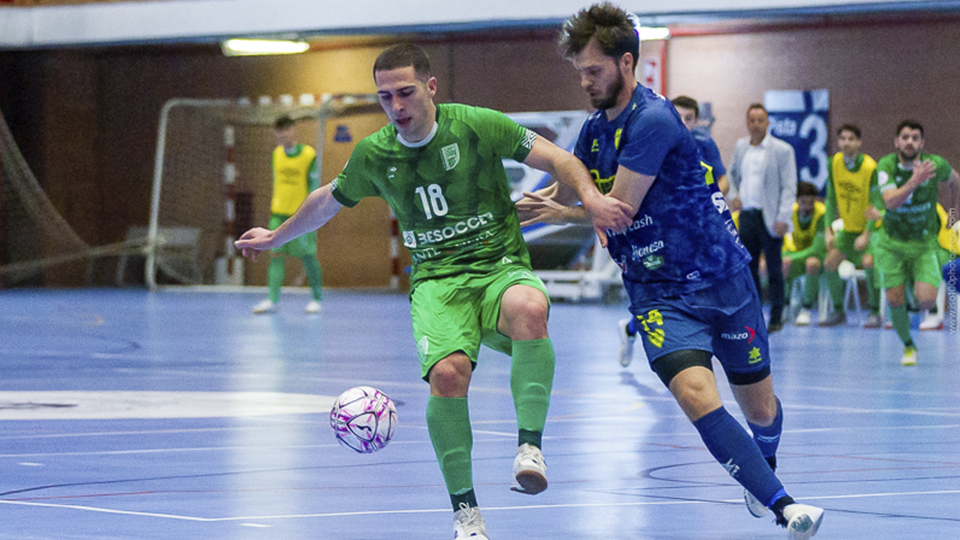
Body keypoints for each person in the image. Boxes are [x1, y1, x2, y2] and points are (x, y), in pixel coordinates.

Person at [235, 44, 632, 540]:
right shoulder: (375, 152)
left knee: (530, 306)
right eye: (385, 97)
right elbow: (328, 201)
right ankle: (466, 513)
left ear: (430, 87)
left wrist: (591, 199)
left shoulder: (476, 124)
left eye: (405, 93)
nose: (396, 106)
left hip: (497, 266)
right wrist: (276, 237)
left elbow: (558, 157)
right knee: (448, 374)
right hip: (437, 284)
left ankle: (529, 447)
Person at [520, 5, 824, 539]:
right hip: (658, 293)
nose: (586, 82)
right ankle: (783, 506)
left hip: (723, 280)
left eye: (594, 71)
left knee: (761, 410)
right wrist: (524, 207)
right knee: (696, 395)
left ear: (627, 62)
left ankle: (764, 466)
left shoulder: (653, 121)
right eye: (580, 73)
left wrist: (564, 210)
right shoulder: (594, 130)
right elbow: (568, 188)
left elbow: (617, 209)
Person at [873, 120, 959, 365]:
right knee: (894, 299)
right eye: (905, 137)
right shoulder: (886, 166)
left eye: (915, 137)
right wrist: (915, 180)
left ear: (922, 143)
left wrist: (954, 214)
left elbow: (955, 181)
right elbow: (891, 202)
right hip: (891, 243)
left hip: (923, 244)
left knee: (926, 300)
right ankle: (909, 346)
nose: (910, 141)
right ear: (896, 142)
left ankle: (912, 288)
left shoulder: (935, 165)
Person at [727, 104, 798, 332]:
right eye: (752, 120)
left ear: (768, 123)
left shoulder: (782, 150)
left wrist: (783, 217)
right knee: (748, 269)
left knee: (775, 269)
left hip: (770, 218)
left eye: (761, 120)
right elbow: (731, 174)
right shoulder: (740, 147)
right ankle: (753, 315)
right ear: (747, 123)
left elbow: (789, 187)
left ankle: (777, 317)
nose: (756, 124)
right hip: (747, 215)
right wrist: (733, 195)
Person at [251, 115, 325, 314]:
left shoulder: (309, 155)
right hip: (278, 214)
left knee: (308, 256)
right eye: (279, 131)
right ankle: (272, 300)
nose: (282, 134)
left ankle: (316, 299)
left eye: (286, 129)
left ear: (293, 130)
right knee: (275, 254)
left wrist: (311, 212)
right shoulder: (276, 155)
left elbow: (313, 185)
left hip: (301, 217)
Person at [822, 124, 883, 328]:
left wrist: (866, 234)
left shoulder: (870, 167)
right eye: (842, 138)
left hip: (870, 230)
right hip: (848, 231)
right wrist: (828, 228)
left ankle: (875, 312)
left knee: (868, 262)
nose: (846, 143)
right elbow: (830, 199)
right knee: (829, 263)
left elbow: (876, 203)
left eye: (851, 139)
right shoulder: (833, 163)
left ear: (859, 142)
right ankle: (839, 311)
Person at [781, 181, 828, 326]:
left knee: (811, 263)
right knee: (785, 263)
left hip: (819, 258)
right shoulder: (789, 213)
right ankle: (785, 306)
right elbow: (784, 245)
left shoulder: (822, 214)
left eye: (811, 202)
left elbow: (816, 249)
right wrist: (788, 257)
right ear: (797, 201)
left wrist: (792, 257)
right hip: (798, 256)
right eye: (803, 201)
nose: (807, 206)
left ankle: (806, 309)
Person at [672, 95, 729, 196]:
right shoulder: (657, 143)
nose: (683, 123)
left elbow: (724, 181)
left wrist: (710, 199)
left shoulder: (705, 143)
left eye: (688, 118)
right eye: (678, 116)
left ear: (696, 121)